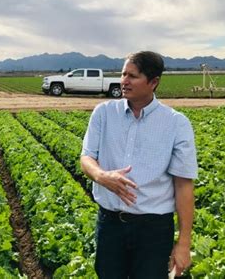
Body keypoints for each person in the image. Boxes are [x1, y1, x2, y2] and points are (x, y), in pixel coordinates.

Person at [80, 51, 197, 279]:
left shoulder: (176, 124)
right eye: (123, 74)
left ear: (153, 82)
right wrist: (101, 176)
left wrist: (183, 243)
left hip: (154, 229)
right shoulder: (103, 113)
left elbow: (183, 185)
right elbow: (87, 157)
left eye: (132, 76)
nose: (124, 81)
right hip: (110, 223)